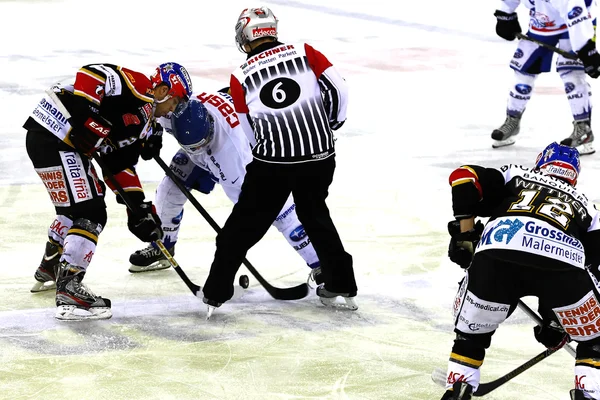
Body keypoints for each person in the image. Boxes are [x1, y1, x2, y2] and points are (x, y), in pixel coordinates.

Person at [198, 6, 357, 313]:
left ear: (244, 36)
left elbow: (248, 129)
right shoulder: (305, 51)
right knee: (316, 217)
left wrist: (269, 152)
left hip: (273, 166)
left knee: (241, 228)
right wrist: (332, 123)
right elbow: (339, 88)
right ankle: (343, 283)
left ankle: (216, 291)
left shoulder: (240, 76)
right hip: (320, 157)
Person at [24, 62, 193, 320]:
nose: (173, 111)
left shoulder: (144, 124)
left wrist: (138, 208)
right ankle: (69, 287)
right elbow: (91, 73)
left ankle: (50, 267)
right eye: (177, 102)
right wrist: (86, 117)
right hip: (55, 136)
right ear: (162, 90)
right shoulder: (140, 87)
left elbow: (117, 165)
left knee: (73, 210)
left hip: (48, 136)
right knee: (91, 213)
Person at [441, 142, 600, 400]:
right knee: (595, 339)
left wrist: (466, 234)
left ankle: (459, 386)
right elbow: (593, 270)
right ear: (574, 175)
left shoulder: (515, 175)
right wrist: (560, 322)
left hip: (496, 258)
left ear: (540, 164)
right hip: (562, 267)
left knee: (470, 337)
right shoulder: (588, 208)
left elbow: (462, 177)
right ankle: (590, 394)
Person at [128, 89, 323, 287]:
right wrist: (152, 134)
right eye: (192, 146)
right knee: (170, 188)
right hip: (210, 146)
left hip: (242, 154)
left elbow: (247, 215)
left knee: (280, 213)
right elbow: (148, 111)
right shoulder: (175, 106)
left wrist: (229, 249)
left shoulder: (235, 161)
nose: (197, 149)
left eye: (199, 144)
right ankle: (164, 247)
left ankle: (322, 265)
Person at [491, 0, 599, 154]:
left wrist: (586, 49)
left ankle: (584, 130)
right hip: (544, 20)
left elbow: (575, 11)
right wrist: (505, 14)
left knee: (571, 73)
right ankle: (512, 121)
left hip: (578, 20)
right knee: (524, 70)